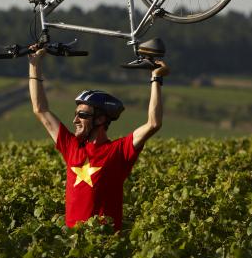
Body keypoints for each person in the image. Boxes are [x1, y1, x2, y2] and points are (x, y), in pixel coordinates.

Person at [28, 47, 169, 232]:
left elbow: (153, 123)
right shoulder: (71, 146)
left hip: (105, 243)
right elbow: (40, 109)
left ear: (101, 119)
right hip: (74, 244)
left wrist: (156, 78)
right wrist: (34, 64)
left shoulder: (119, 150)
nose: (75, 120)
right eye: (76, 114)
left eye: (82, 115)